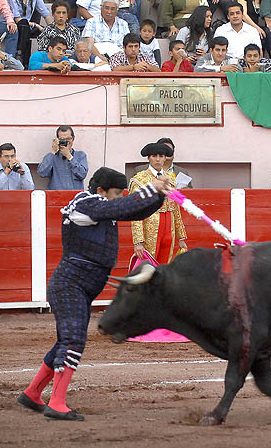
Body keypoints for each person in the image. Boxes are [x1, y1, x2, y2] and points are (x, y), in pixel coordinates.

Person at [17, 167, 170, 421]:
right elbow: (118, 208)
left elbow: (133, 210)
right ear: (100, 191)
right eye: (115, 193)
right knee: (74, 340)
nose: (117, 198)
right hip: (70, 285)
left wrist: (160, 195)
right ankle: (56, 403)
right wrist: (151, 187)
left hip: (81, 286)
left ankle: (33, 393)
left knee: (65, 340)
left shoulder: (101, 207)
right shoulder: (84, 202)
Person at [130, 142, 188, 264]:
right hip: (149, 225)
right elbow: (135, 211)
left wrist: (181, 236)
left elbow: (175, 208)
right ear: (148, 158)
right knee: (149, 265)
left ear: (165, 158)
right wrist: (138, 241)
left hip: (169, 226)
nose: (157, 159)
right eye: (154, 156)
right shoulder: (139, 180)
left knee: (165, 266)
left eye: (161, 156)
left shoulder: (171, 179)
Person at [37, 125, 88, 190]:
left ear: (73, 139)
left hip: (74, 197)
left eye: (68, 139)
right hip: (56, 197)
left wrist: (69, 156)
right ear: (57, 140)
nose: (66, 142)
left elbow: (82, 174)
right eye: (62, 139)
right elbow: (42, 173)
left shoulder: (81, 155)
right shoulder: (52, 157)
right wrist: (53, 151)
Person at [7, 0, 53, 69]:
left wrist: (52, 30)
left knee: (45, 32)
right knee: (24, 25)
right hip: (13, 25)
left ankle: (46, 60)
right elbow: (17, 19)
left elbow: (45, 13)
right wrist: (36, 25)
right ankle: (20, 57)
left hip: (28, 26)